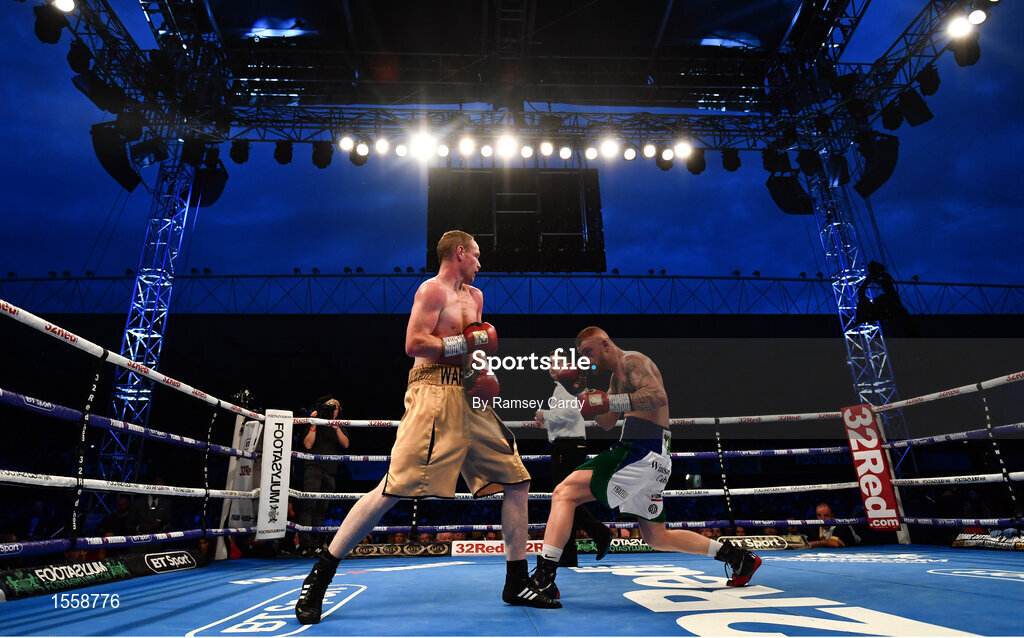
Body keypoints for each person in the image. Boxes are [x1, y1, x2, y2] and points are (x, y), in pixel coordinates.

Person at [295, 230, 558, 625]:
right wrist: (463, 346)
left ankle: (515, 580)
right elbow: (415, 344)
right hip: (431, 391)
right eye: (476, 256)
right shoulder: (431, 291)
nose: (480, 264)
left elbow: (475, 350)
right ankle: (321, 574)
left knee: (517, 480)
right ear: (459, 253)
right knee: (392, 489)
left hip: (468, 395)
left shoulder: (476, 298)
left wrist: (483, 378)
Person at [530, 327, 762, 602]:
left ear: (604, 344)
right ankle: (738, 557)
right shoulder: (616, 378)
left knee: (563, 492)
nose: (587, 359)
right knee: (656, 537)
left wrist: (608, 399)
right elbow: (606, 422)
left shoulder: (632, 361)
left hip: (641, 450)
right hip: (653, 456)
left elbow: (658, 396)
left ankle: (544, 579)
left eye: (588, 352)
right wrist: (583, 396)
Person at [533, 355, 612, 567]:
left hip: (568, 446)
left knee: (564, 499)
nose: (551, 368)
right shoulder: (562, 386)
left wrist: (545, 413)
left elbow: (570, 412)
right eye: (548, 364)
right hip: (566, 445)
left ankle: (600, 533)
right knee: (565, 500)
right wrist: (546, 423)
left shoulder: (568, 383)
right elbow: (566, 416)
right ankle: (569, 554)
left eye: (556, 364)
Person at [297, 395, 349, 557]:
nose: (332, 409)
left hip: (330, 469)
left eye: (335, 407)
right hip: (313, 468)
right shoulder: (315, 422)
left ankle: (317, 544)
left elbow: (346, 444)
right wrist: (313, 424)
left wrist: (336, 427)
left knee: (322, 509)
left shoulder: (339, 425)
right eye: (329, 406)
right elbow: (307, 444)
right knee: (309, 506)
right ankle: (305, 545)